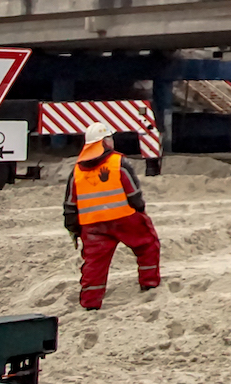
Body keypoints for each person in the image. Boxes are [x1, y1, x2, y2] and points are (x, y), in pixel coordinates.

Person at [63, 121, 160, 310]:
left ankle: (90, 302)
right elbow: (134, 193)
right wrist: (140, 211)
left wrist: (75, 230)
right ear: (105, 142)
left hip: (92, 226)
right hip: (124, 218)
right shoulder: (118, 162)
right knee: (147, 245)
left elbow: (70, 205)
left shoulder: (76, 171)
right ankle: (149, 284)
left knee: (94, 264)